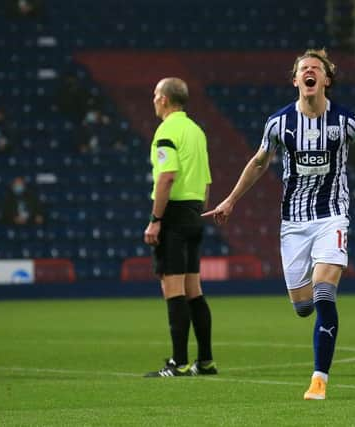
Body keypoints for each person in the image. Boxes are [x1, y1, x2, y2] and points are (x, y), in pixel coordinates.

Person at [203, 49, 355, 399]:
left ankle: (319, 378)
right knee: (303, 306)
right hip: (293, 222)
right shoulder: (279, 123)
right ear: (295, 80)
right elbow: (259, 163)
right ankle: (312, 317)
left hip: (332, 215)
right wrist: (230, 200)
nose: (309, 72)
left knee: (324, 292)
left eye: (315, 69)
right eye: (303, 69)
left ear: (326, 80)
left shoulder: (347, 121)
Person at [143, 77, 216, 378]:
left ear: (163, 99)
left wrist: (156, 220)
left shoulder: (167, 131)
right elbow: (207, 181)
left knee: (172, 290)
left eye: (155, 94)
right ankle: (206, 361)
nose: (153, 100)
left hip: (173, 217)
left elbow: (167, 177)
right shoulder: (196, 131)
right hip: (195, 212)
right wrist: (198, 212)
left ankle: (179, 362)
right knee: (193, 290)